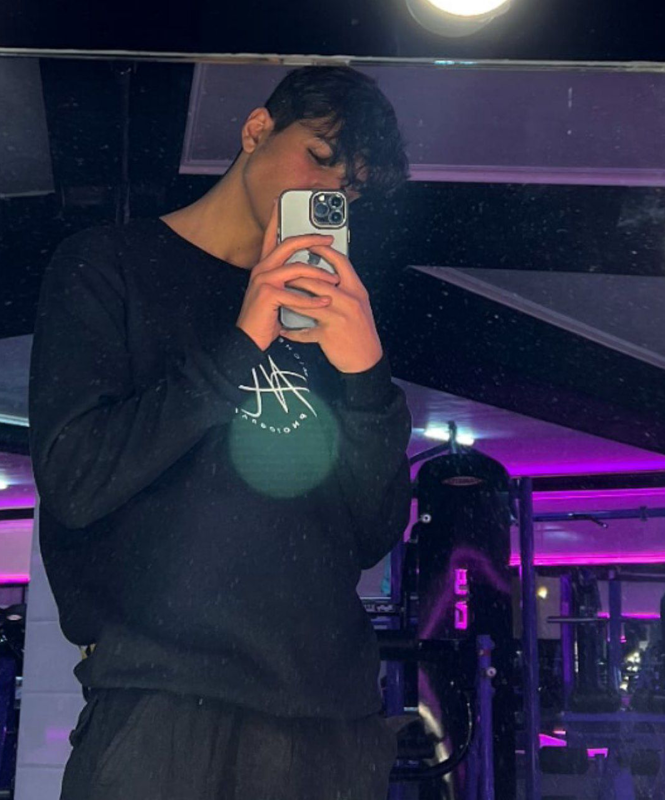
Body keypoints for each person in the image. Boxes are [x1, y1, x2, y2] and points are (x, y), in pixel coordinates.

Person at [29, 65, 412, 800]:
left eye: (350, 188)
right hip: (163, 706)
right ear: (257, 130)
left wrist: (368, 376)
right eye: (320, 157)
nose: (329, 192)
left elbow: (371, 533)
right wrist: (241, 343)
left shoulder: (332, 310)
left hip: (333, 719)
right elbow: (76, 479)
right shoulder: (108, 264)